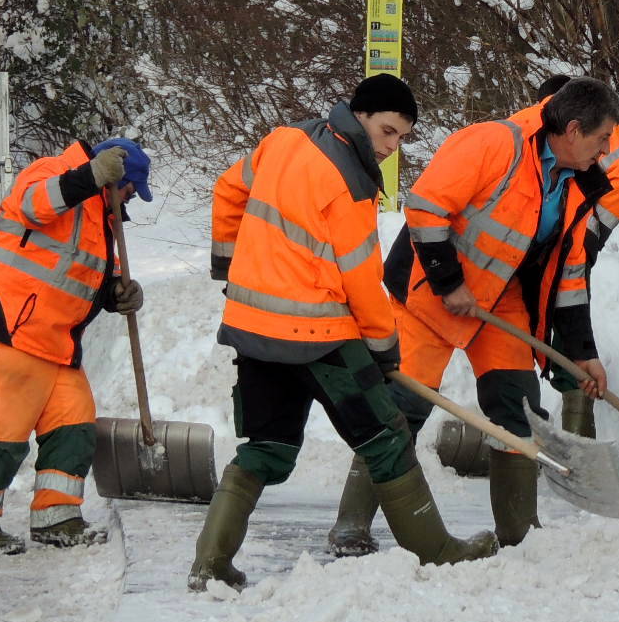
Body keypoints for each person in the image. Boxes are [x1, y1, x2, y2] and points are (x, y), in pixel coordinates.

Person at [190, 74, 496, 590]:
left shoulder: (284, 139)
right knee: (387, 438)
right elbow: (360, 278)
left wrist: (229, 268)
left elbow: (228, 190)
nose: (392, 147)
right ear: (360, 114)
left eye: (402, 137)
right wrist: (383, 349)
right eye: (387, 131)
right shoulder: (350, 181)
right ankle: (438, 551)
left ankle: (210, 563)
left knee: (267, 447)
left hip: (252, 326)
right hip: (318, 333)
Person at [328, 76, 619, 555]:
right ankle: (351, 525)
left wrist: (582, 353)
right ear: (572, 130)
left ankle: (520, 535)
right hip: (429, 294)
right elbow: (425, 208)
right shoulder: (493, 144)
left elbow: (569, 274)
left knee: (518, 408)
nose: (606, 150)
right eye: (602, 138)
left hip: (502, 301)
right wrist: (449, 282)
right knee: (401, 410)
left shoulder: (578, 184)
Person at [0, 137, 151, 554]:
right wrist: (91, 175)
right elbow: (33, 205)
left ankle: (57, 517)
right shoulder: (51, 172)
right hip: (7, 326)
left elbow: (87, 274)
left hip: (53, 341)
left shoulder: (98, 218)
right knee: (3, 432)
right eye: (131, 190)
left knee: (74, 425)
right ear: (116, 177)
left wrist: (117, 292)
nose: (131, 198)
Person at [535, 73, 619, 439]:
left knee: (566, 305)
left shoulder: (596, 136)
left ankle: (578, 432)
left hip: (581, 228)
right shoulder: (578, 133)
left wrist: (584, 231)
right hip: (572, 227)